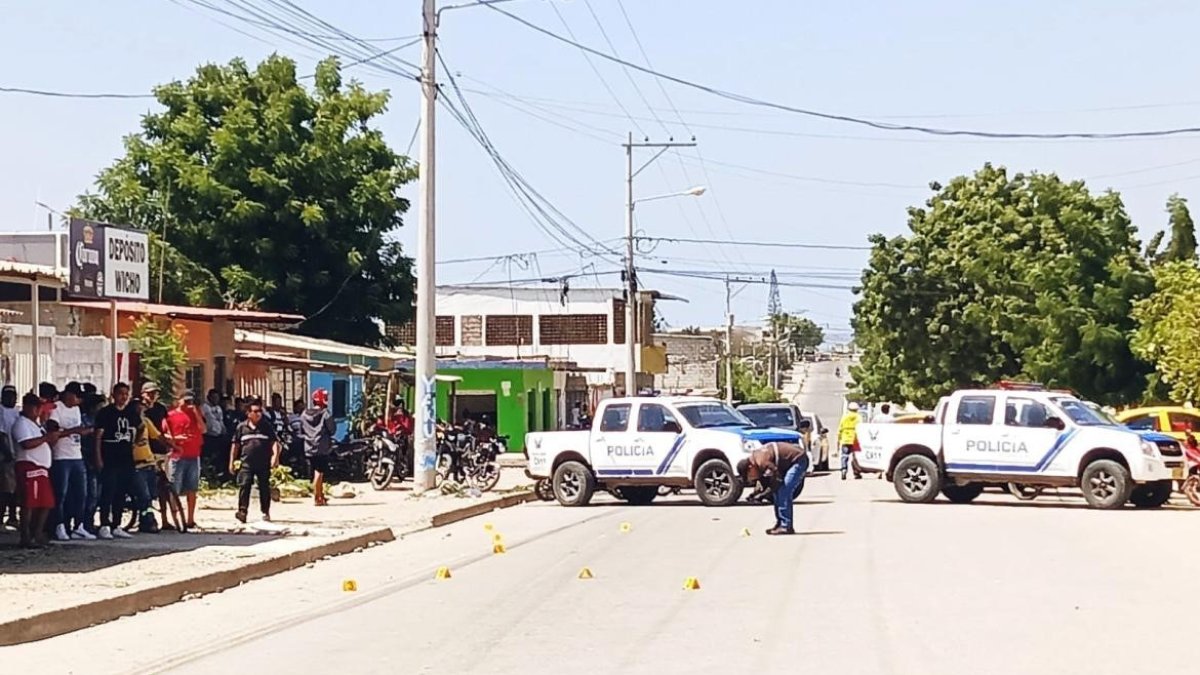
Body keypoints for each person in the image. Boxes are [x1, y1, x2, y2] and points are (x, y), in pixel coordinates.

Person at [48, 382, 95, 541]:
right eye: (77, 397)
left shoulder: (76, 409)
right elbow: (53, 433)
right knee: (61, 493)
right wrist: (74, 431)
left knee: (81, 493)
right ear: (68, 395)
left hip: (77, 455)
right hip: (61, 457)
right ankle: (59, 525)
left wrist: (84, 432)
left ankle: (78, 526)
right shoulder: (56, 408)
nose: (79, 401)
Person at [94, 382, 141, 540]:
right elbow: (98, 436)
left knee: (121, 492)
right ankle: (104, 524)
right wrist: (98, 457)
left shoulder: (130, 413)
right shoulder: (105, 413)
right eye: (121, 393)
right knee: (108, 491)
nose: (124, 397)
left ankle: (117, 524)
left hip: (126, 457)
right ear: (113, 394)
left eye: (126, 394)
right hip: (110, 457)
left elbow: (136, 430)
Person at [13, 392, 61, 547]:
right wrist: (46, 438)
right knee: (29, 504)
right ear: (28, 407)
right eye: (36, 407)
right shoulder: (22, 423)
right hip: (28, 465)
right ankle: (26, 536)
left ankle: (37, 533)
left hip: (42, 468)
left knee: (46, 502)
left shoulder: (37, 425)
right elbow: (26, 444)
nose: (39, 410)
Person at [738, 441, 810, 536]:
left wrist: (763, 494)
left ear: (750, 467)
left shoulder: (762, 461)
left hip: (798, 460)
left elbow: (776, 479)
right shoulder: (756, 460)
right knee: (777, 493)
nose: (752, 478)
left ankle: (786, 526)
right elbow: (767, 482)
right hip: (787, 462)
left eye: (749, 475)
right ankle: (780, 523)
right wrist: (756, 493)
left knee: (783, 491)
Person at [230, 399, 282, 523]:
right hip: (246, 463)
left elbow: (274, 442)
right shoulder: (241, 427)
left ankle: (265, 511)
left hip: (263, 463)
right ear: (248, 413)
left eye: (260, 411)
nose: (258, 413)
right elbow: (235, 445)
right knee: (245, 485)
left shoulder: (266, 426)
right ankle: (242, 512)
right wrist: (231, 462)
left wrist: (275, 457)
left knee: (264, 487)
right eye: (255, 411)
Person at [130, 398, 175, 533]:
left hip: (149, 462)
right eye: (138, 408)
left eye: (142, 408)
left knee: (152, 494)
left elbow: (158, 436)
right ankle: (148, 521)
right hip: (136, 464)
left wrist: (171, 446)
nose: (140, 410)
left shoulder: (146, 421)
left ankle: (145, 519)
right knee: (144, 496)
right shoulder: (128, 423)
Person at [163, 391, 206, 529]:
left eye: (190, 401)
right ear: (179, 400)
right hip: (177, 456)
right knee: (174, 488)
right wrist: (176, 440)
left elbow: (204, 429)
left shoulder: (195, 414)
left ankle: (190, 519)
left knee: (192, 489)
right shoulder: (170, 416)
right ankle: (175, 519)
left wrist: (197, 414)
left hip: (194, 455)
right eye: (185, 401)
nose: (188, 404)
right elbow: (164, 435)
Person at [301, 389, 335, 507]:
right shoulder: (326, 413)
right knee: (319, 472)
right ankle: (317, 497)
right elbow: (332, 429)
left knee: (316, 470)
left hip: (309, 446)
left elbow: (301, 429)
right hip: (322, 447)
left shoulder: (304, 414)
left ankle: (320, 495)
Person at [0, 384, 19, 530]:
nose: (11, 398)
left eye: (13, 396)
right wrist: (7, 453)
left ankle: (13, 517)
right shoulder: (1, 411)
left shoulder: (17, 412)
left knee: (15, 489)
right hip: (5, 456)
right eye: (8, 395)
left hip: (17, 455)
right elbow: (1, 434)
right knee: (6, 489)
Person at [201, 389, 228, 479]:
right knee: (208, 457)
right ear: (209, 397)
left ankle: (217, 474)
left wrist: (224, 430)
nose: (216, 399)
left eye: (217, 398)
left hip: (218, 435)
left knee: (218, 456)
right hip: (208, 436)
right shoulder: (204, 407)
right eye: (214, 397)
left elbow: (221, 420)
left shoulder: (219, 408)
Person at [839, 402, 862, 480]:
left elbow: (840, 429)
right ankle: (856, 472)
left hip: (845, 438)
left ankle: (844, 470)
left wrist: (839, 439)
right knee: (855, 457)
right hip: (855, 439)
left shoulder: (844, 417)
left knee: (844, 455)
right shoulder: (859, 417)